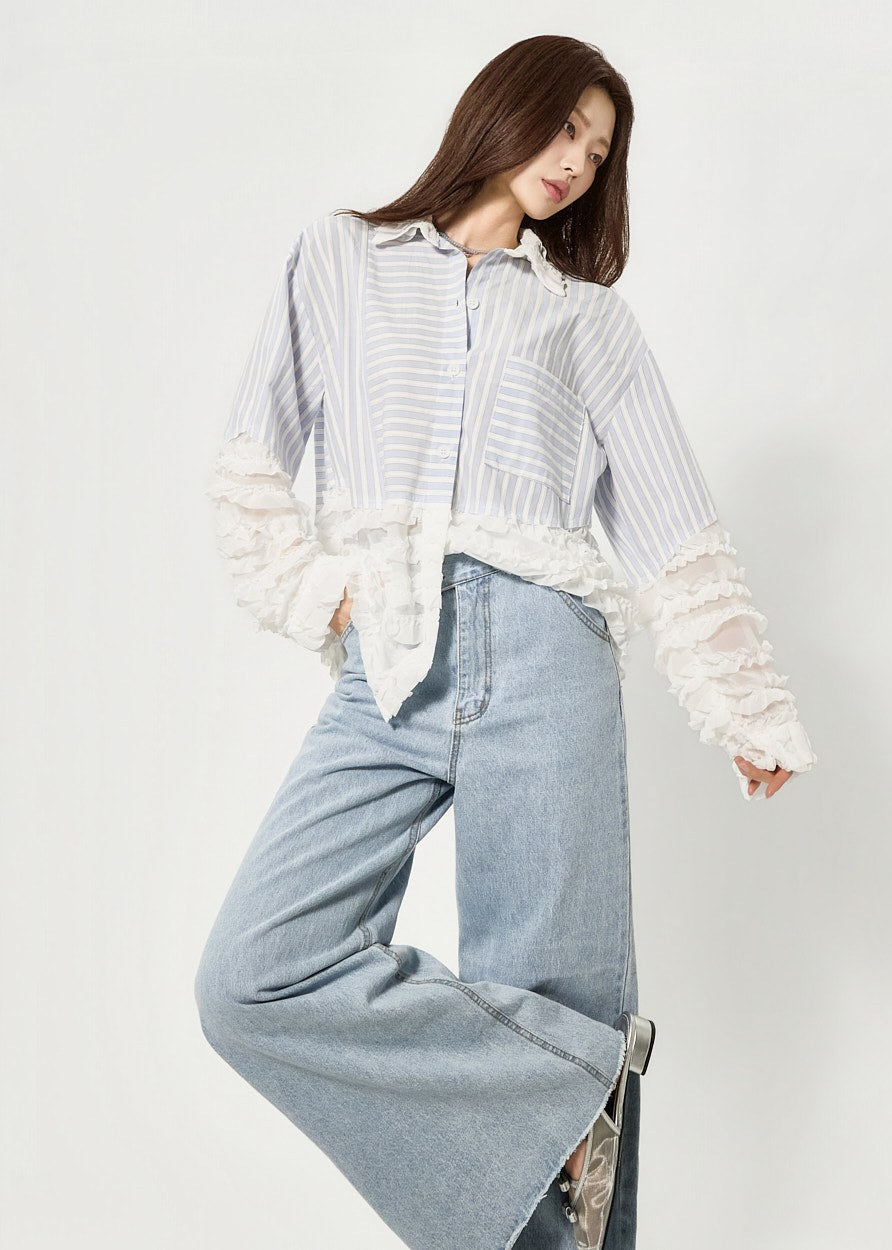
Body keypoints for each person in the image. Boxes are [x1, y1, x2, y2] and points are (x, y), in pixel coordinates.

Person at [194, 33, 817, 1250]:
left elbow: (673, 531)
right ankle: (582, 1082)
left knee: (550, 993)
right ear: (501, 109)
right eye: (566, 127)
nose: (578, 161)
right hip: (389, 661)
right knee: (253, 973)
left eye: (600, 149)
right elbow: (250, 466)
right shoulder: (340, 258)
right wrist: (325, 595)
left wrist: (743, 704)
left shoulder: (588, 323)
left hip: (546, 654)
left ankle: (577, 1100)